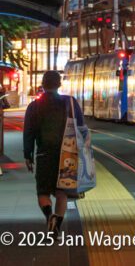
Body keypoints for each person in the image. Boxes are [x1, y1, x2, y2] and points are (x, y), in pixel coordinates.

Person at [22, 71, 82, 232]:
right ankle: (56, 227)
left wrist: (27, 155)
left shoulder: (34, 106)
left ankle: (49, 217)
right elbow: (81, 129)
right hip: (66, 156)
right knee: (61, 191)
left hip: (44, 155)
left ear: (43, 84)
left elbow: (28, 133)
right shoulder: (70, 103)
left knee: (43, 192)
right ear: (59, 84)